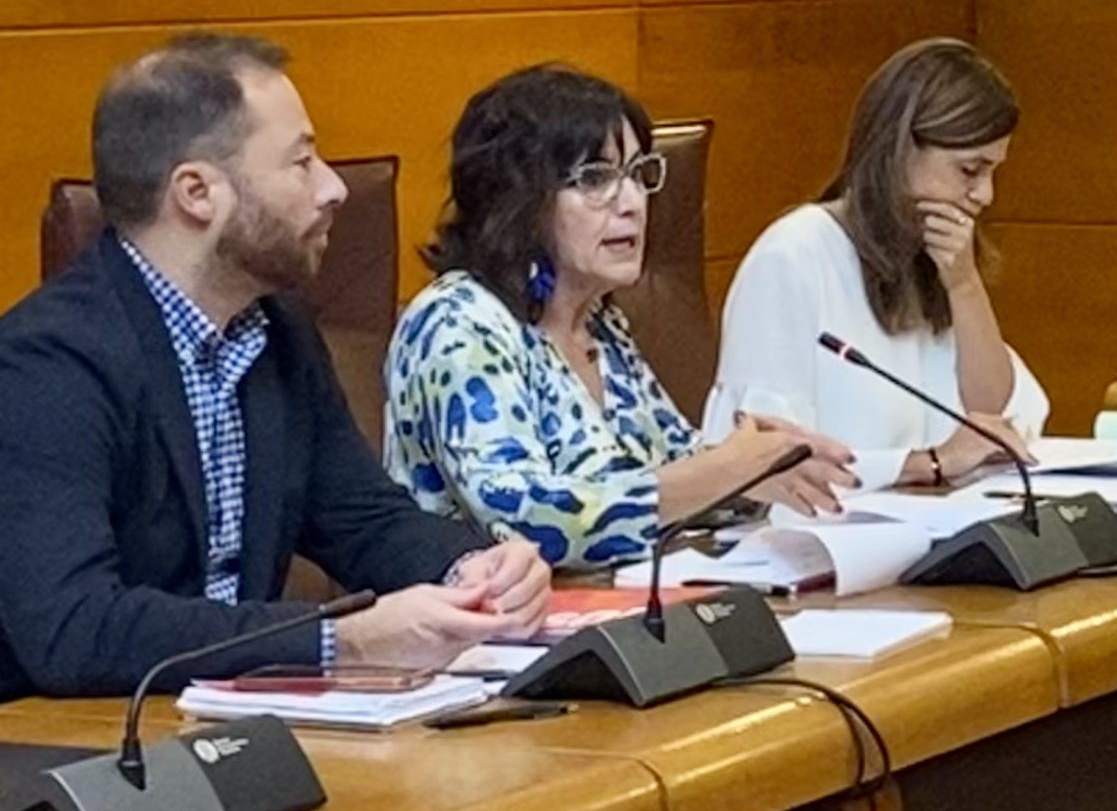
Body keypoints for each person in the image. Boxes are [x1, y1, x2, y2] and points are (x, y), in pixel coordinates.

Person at [0, 34, 551, 698]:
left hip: (232, 726)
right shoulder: (45, 365)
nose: (333, 188)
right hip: (64, 739)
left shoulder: (278, 331)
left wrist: (474, 568)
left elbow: (363, 519)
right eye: (301, 162)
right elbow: (75, 630)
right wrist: (338, 641)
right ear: (197, 193)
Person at [384, 65, 856, 571]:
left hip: (612, 601)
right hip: (484, 616)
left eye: (636, 174)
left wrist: (762, 469)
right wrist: (725, 470)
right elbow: (525, 519)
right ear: (517, 198)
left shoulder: (600, 324)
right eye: (595, 179)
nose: (632, 203)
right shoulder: (457, 324)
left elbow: (679, 466)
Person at [708, 39, 1048, 487]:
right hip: (825, 525)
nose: (985, 195)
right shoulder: (791, 256)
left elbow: (990, 417)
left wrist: (964, 286)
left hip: (930, 516)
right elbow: (762, 462)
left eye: (992, 172)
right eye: (969, 171)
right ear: (900, 149)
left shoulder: (931, 257)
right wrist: (928, 464)